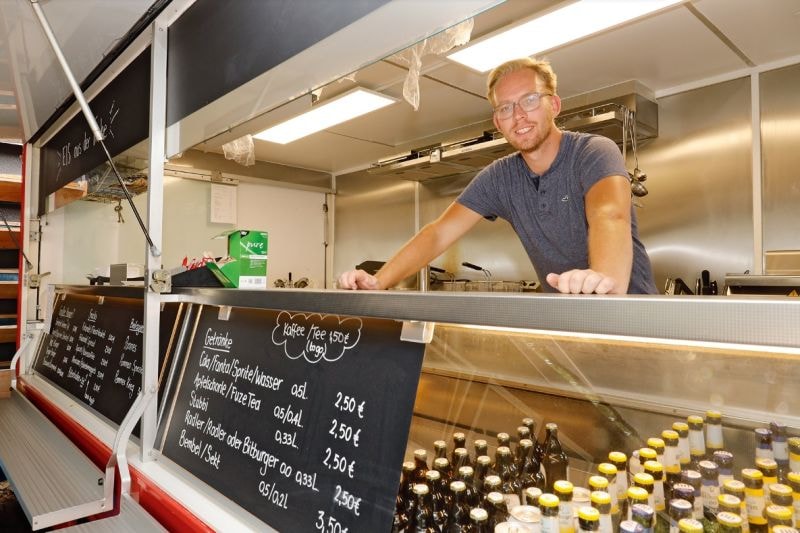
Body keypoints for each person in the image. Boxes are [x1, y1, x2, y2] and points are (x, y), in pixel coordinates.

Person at [338, 57, 657, 294]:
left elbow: (610, 216)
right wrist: (379, 282)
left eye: (529, 100)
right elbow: (438, 233)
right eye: (505, 109)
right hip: (568, 325)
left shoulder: (593, 152)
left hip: (632, 320)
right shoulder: (500, 178)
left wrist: (603, 284)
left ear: (554, 105)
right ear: (498, 122)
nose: (518, 116)